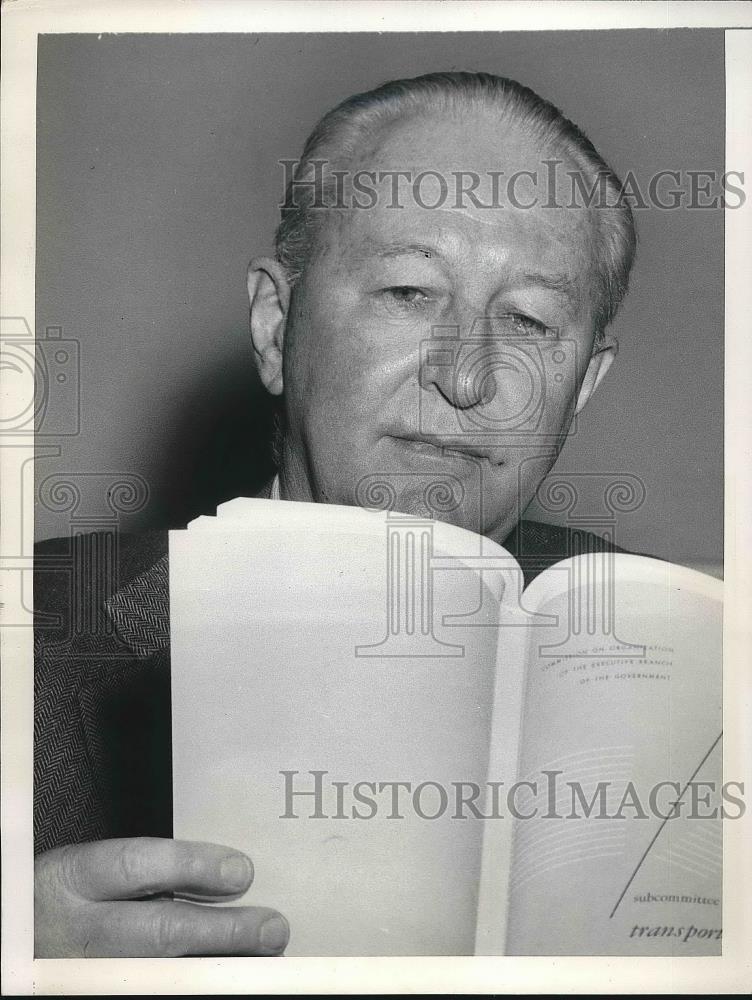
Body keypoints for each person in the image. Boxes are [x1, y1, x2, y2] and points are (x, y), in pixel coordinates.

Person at [34, 71, 636, 957]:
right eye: (409, 293)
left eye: (530, 320)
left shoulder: (658, 657)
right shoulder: (31, 634)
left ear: (582, 384)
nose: (466, 377)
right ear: (276, 326)